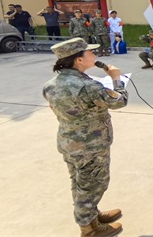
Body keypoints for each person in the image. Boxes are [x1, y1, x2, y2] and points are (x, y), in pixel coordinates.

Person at [43, 37, 127, 237]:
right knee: (94, 185)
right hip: (91, 147)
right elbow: (119, 101)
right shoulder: (87, 86)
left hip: (69, 143)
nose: (94, 54)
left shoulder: (51, 84)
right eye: (90, 52)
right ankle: (88, 229)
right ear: (78, 59)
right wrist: (116, 79)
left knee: (80, 183)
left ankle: (92, 215)